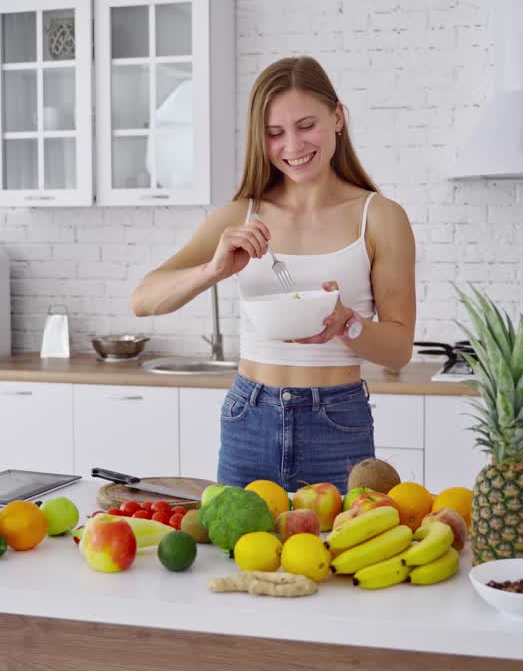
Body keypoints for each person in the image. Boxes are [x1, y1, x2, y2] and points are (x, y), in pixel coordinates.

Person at [130, 56, 416, 493]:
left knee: (338, 558)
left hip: (337, 422)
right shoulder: (241, 214)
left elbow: (399, 350)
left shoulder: (379, 217)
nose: (293, 146)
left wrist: (347, 324)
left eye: (306, 125)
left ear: (337, 117)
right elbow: (143, 300)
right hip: (250, 416)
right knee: (238, 557)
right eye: (275, 133)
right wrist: (213, 270)